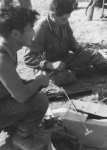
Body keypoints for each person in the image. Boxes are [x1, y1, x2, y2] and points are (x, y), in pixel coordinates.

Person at [23, 0, 107, 86]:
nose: (66, 21)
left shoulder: (63, 20)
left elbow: (70, 38)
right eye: (63, 19)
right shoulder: (40, 29)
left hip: (66, 58)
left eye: (67, 18)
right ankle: (78, 71)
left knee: (93, 54)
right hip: (50, 65)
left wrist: (76, 47)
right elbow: (28, 58)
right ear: (52, 15)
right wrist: (50, 65)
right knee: (60, 78)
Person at [0, 6, 49, 149]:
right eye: (30, 28)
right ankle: (21, 138)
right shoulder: (2, 59)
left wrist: (30, 84)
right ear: (15, 34)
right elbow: (21, 96)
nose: (33, 33)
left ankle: (11, 126)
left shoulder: (8, 48)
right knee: (40, 101)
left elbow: (8, 82)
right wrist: (38, 81)